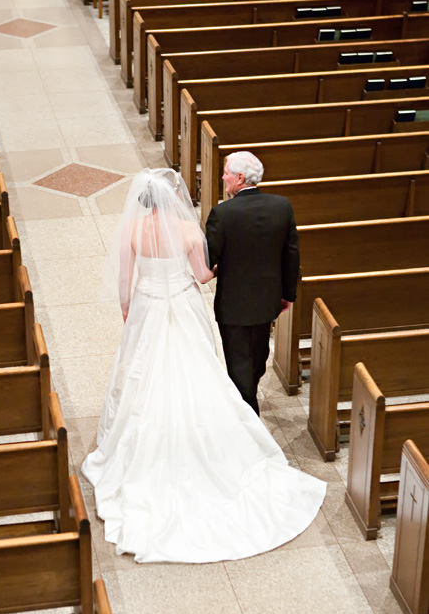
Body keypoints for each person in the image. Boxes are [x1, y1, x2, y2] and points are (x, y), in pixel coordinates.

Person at [82, 167, 325, 564]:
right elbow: (201, 275)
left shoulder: (133, 230)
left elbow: (125, 281)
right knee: (198, 369)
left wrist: (130, 312)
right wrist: (219, 267)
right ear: (174, 197)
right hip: (182, 304)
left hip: (147, 305)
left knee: (145, 372)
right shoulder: (188, 231)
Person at [206, 151, 299, 416]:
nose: (223, 177)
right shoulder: (281, 206)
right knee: (258, 359)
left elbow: (209, 258)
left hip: (233, 304)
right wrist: (287, 294)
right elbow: (291, 255)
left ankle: (248, 417)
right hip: (267, 301)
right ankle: (249, 406)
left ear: (240, 178)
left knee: (238, 365)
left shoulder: (222, 214)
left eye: (226, 173)